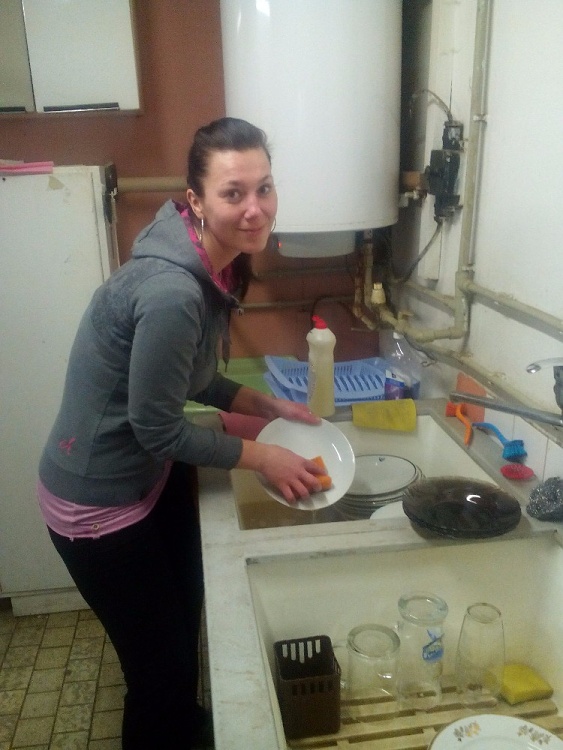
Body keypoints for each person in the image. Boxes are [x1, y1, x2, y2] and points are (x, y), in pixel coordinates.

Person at [37, 117, 326, 749]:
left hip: (142, 478)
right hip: (96, 505)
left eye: (264, 188)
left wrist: (264, 403)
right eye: (233, 193)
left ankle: (185, 728)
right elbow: (157, 427)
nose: (255, 209)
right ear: (196, 200)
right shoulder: (172, 291)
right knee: (158, 671)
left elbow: (192, 377)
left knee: (184, 622)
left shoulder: (207, 262)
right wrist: (264, 456)